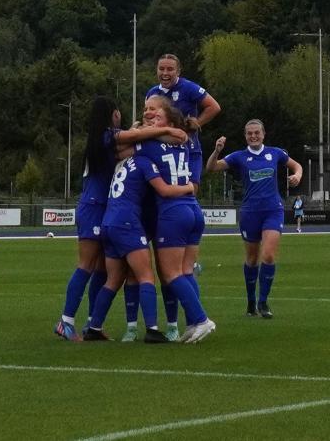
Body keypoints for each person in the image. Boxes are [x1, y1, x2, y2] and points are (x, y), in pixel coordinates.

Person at [54, 96, 187, 342]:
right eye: (118, 113)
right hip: (95, 207)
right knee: (87, 265)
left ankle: (93, 325)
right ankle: (66, 320)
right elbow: (134, 138)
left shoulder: (103, 139)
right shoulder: (107, 136)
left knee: (102, 271)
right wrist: (167, 127)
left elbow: (138, 138)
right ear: (113, 114)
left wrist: (153, 130)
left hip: (104, 209)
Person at [82, 133, 196, 343]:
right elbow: (163, 189)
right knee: (146, 276)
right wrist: (189, 187)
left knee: (114, 279)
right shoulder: (144, 161)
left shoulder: (120, 164)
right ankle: (152, 329)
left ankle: (94, 327)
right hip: (127, 222)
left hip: (109, 222)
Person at [137, 96, 216, 342]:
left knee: (171, 274)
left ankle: (202, 319)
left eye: (156, 114)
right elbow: (180, 136)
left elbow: (121, 147)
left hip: (173, 210)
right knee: (185, 271)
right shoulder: (183, 141)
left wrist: (141, 130)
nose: (150, 117)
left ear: (169, 120)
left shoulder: (149, 144)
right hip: (192, 209)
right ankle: (193, 323)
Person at [206, 119, 303, 318]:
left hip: (272, 210)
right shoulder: (239, 157)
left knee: (267, 255)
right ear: (245, 136)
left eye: (256, 132)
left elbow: (297, 166)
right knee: (251, 259)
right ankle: (251, 301)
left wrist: (297, 175)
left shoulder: (275, 153)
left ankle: (263, 302)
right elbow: (212, 168)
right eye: (249, 133)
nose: (253, 136)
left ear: (263, 133)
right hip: (250, 212)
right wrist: (217, 150)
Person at [145, 53, 221, 191]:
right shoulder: (152, 93)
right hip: (161, 152)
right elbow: (147, 120)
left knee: (191, 191)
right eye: (161, 69)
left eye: (170, 69)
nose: (165, 73)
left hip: (188, 149)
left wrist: (196, 123)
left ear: (178, 71)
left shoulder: (188, 87)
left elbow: (214, 107)